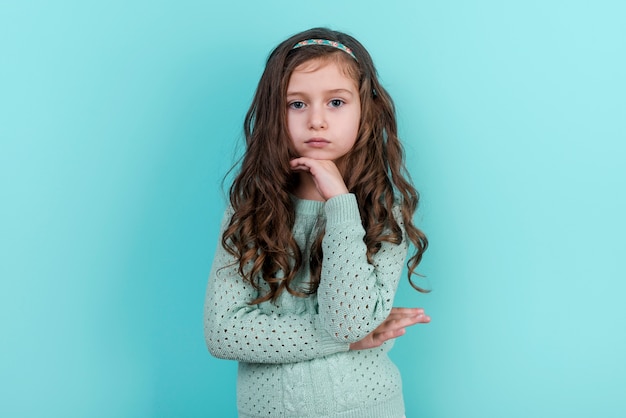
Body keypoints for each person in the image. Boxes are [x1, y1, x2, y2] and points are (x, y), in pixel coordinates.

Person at [204, 27, 430, 418]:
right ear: (276, 112)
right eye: (297, 104)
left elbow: (348, 323)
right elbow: (224, 334)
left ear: (365, 110)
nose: (317, 121)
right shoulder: (249, 209)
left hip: (368, 407)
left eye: (337, 102)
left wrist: (341, 205)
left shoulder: (382, 210)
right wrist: (344, 342)